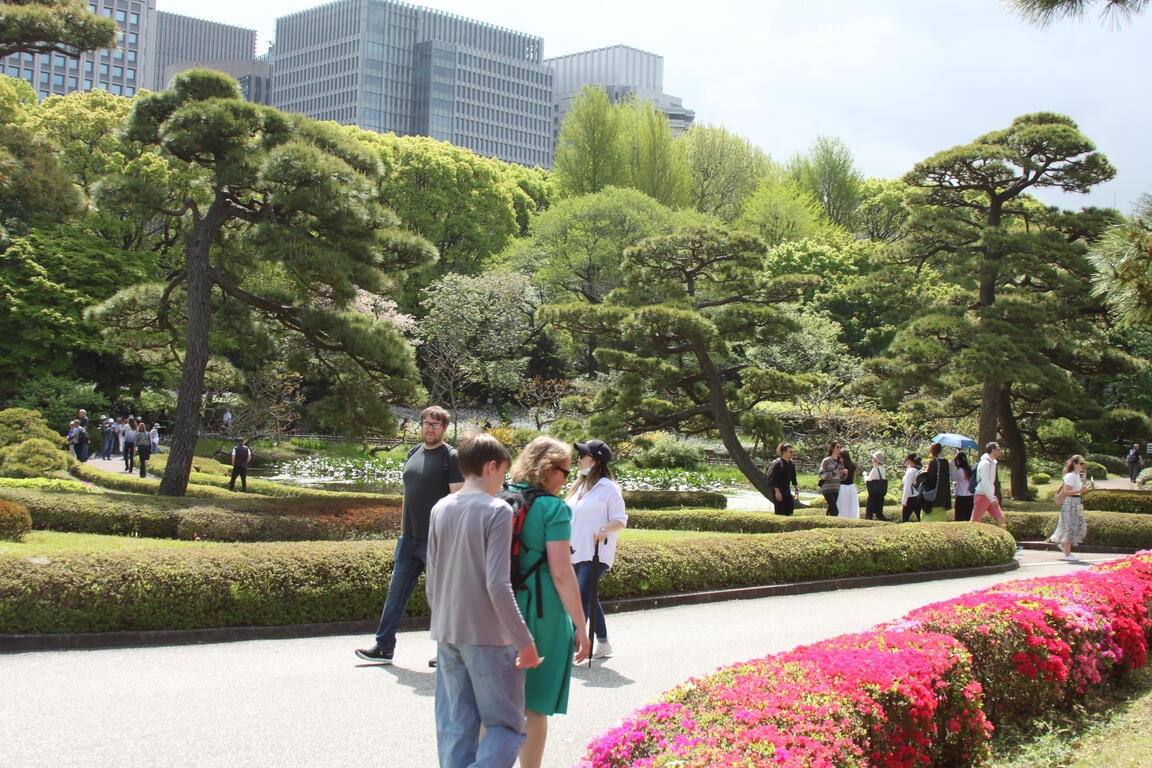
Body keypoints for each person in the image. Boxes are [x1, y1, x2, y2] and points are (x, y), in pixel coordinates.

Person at [426, 432, 540, 768]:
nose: (502, 481)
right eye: (503, 473)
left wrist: (445, 620)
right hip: (489, 636)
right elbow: (497, 585)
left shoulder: (441, 507)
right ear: (491, 467)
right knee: (506, 726)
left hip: (447, 632)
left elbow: (432, 579)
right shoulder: (497, 510)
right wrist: (525, 642)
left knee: (454, 728)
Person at [507, 436, 590, 768]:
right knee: (534, 706)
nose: (566, 479)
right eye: (564, 472)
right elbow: (561, 573)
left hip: (500, 608)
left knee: (497, 704)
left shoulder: (499, 498)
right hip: (541, 611)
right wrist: (581, 627)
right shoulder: (553, 508)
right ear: (546, 469)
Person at [357, 406, 464, 664]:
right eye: (426, 423)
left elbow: (458, 500)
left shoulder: (451, 456)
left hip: (436, 540)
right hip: (409, 539)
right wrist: (403, 531)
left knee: (442, 598)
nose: (430, 428)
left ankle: (448, 653)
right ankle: (384, 646)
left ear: (445, 429)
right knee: (396, 593)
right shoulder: (414, 451)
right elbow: (409, 495)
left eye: (436, 425)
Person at [567, 439, 627, 660]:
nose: (579, 459)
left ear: (596, 460)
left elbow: (620, 520)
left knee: (581, 597)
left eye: (583, 455)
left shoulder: (608, 488)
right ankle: (603, 642)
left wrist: (604, 527)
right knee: (588, 597)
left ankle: (571, 645)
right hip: (574, 551)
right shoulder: (579, 486)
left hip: (596, 552)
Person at [1050, 455, 1090, 562]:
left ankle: (1065, 547)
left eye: (1083, 464)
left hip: (1076, 502)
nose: (1083, 466)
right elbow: (1066, 492)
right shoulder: (1071, 476)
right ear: (1075, 464)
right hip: (1070, 502)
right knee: (1069, 526)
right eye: (1081, 464)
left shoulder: (1077, 476)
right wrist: (1080, 491)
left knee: (1077, 524)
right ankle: (1067, 553)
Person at [971, 442, 1006, 527]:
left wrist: (991, 496)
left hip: (990, 496)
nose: (999, 451)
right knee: (974, 522)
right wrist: (991, 497)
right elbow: (985, 482)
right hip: (982, 495)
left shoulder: (992, 462)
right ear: (993, 450)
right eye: (998, 449)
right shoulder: (985, 463)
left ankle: (1004, 538)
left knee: (1001, 518)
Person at [766, 443, 800, 516]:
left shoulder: (791, 463)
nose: (792, 453)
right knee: (780, 512)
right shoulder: (777, 463)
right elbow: (774, 479)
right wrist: (777, 492)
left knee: (789, 510)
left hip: (787, 490)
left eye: (792, 452)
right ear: (784, 452)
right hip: (778, 490)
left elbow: (793, 478)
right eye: (790, 452)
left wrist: (796, 489)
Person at [920, 442, 951, 518]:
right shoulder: (945, 462)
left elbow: (930, 477)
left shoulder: (933, 462)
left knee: (931, 514)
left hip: (934, 494)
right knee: (941, 514)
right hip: (944, 493)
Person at [818, 441, 847, 516]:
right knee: (835, 511)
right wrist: (833, 473)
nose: (839, 449)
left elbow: (841, 478)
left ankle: (826, 524)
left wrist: (844, 474)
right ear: (832, 448)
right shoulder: (826, 460)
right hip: (827, 488)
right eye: (837, 447)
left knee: (831, 510)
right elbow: (821, 474)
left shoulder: (840, 462)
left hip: (836, 488)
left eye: (840, 447)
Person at [864, 451, 888, 521]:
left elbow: (868, 480)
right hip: (880, 494)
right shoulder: (882, 469)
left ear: (876, 460)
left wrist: (865, 475)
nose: (872, 460)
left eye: (873, 459)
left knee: (869, 514)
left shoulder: (875, 469)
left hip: (873, 494)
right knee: (879, 513)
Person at [951, 452, 976, 522]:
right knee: (969, 517)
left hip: (961, 497)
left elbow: (952, 477)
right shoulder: (970, 469)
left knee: (959, 518)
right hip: (970, 496)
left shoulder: (960, 471)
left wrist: (952, 466)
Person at [836, 449, 860, 518]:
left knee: (843, 505)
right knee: (849, 505)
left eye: (840, 457)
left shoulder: (841, 466)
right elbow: (854, 479)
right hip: (850, 487)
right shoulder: (853, 466)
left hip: (843, 487)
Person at [901, 453, 923, 523]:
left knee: (904, 519)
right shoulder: (919, 469)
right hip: (919, 496)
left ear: (910, 460)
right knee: (920, 518)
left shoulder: (910, 471)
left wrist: (904, 500)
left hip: (910, 497)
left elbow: (907, 486)